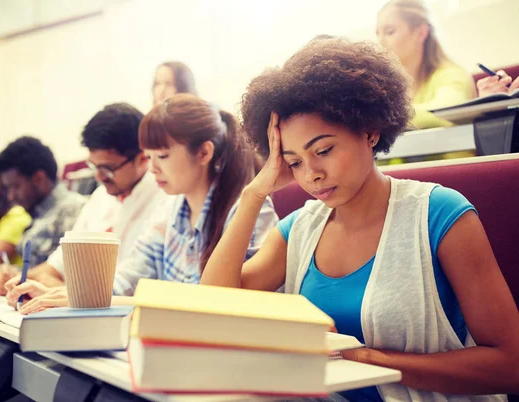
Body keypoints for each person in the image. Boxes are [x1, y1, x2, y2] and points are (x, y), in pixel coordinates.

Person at [200, 38, 519, 401]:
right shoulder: (300, 229)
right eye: (295, 161)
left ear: (369, 131)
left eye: (323, 150)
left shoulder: (439, 214)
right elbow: (214, 306)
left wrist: (366, 359)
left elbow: (510, 365)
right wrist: (253, 194)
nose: (311, 175)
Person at [5, 94, 278, 314]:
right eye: (149, 157)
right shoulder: (171, 211)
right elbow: (128, 280)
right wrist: (66, 295)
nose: (153, 169)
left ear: (204, 152)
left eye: (162, 156)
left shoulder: (249, 212)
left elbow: (218, 307)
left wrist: (82, 299)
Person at [12, 103, 168, 288]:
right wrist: (18, 281)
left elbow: (127, 287)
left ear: (142, 158)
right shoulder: (101, 197)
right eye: (94, 166)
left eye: (108, 169)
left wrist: (55, 288)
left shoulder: (164, 199)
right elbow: (59, 263)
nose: (98, 176)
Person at [0, 136, 86, 295]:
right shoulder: (37, 213)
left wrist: (20, 278)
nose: (11, 196)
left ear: (39, 178)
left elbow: (70, 275)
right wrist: (8, 274)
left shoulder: (74, 210)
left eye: (15, 187)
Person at [376, 0, 475, 130]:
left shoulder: (452, 74)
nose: (380, 42)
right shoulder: (388, 85)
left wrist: (379, 116)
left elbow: (446, 113)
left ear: (421, 32)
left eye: (390, 32)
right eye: (378, 34)